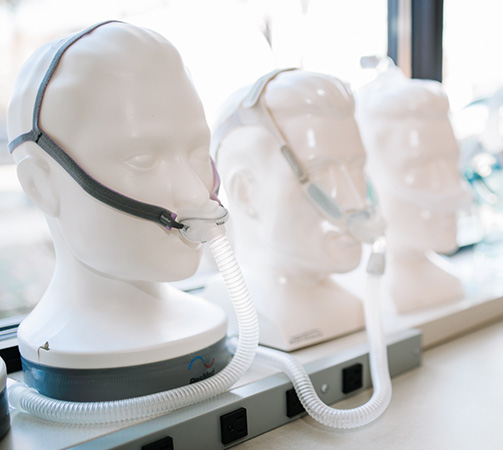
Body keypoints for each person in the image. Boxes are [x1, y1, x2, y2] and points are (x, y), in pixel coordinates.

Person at [6, 22, 228, 400]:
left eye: (196, 151)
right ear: (39, 184)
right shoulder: (53, 344)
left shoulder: (211, 320)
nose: (195, 192)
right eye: (143, 159)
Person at [205, 69, 368, 350]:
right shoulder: (237, 308)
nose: (356, 201)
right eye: (319, 173)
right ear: (246, 192)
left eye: (356, 169)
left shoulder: (352, 304)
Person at [357, 69, 467, 313]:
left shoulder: (449, 282)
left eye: (452, 162)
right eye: (419, 170)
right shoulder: (369, 294)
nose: (450, 188)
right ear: (367, 177)